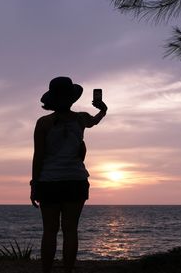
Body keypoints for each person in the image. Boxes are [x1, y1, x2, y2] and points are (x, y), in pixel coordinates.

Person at [30, 76, 107, 273]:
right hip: (76, 181)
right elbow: (96, 120)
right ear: (71, 98)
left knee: (49, 231)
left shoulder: (43, 123)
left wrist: (34, 184)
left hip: (49, 182)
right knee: (70, 230)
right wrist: (102, 108)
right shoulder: (81, 119)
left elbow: (38, 156)